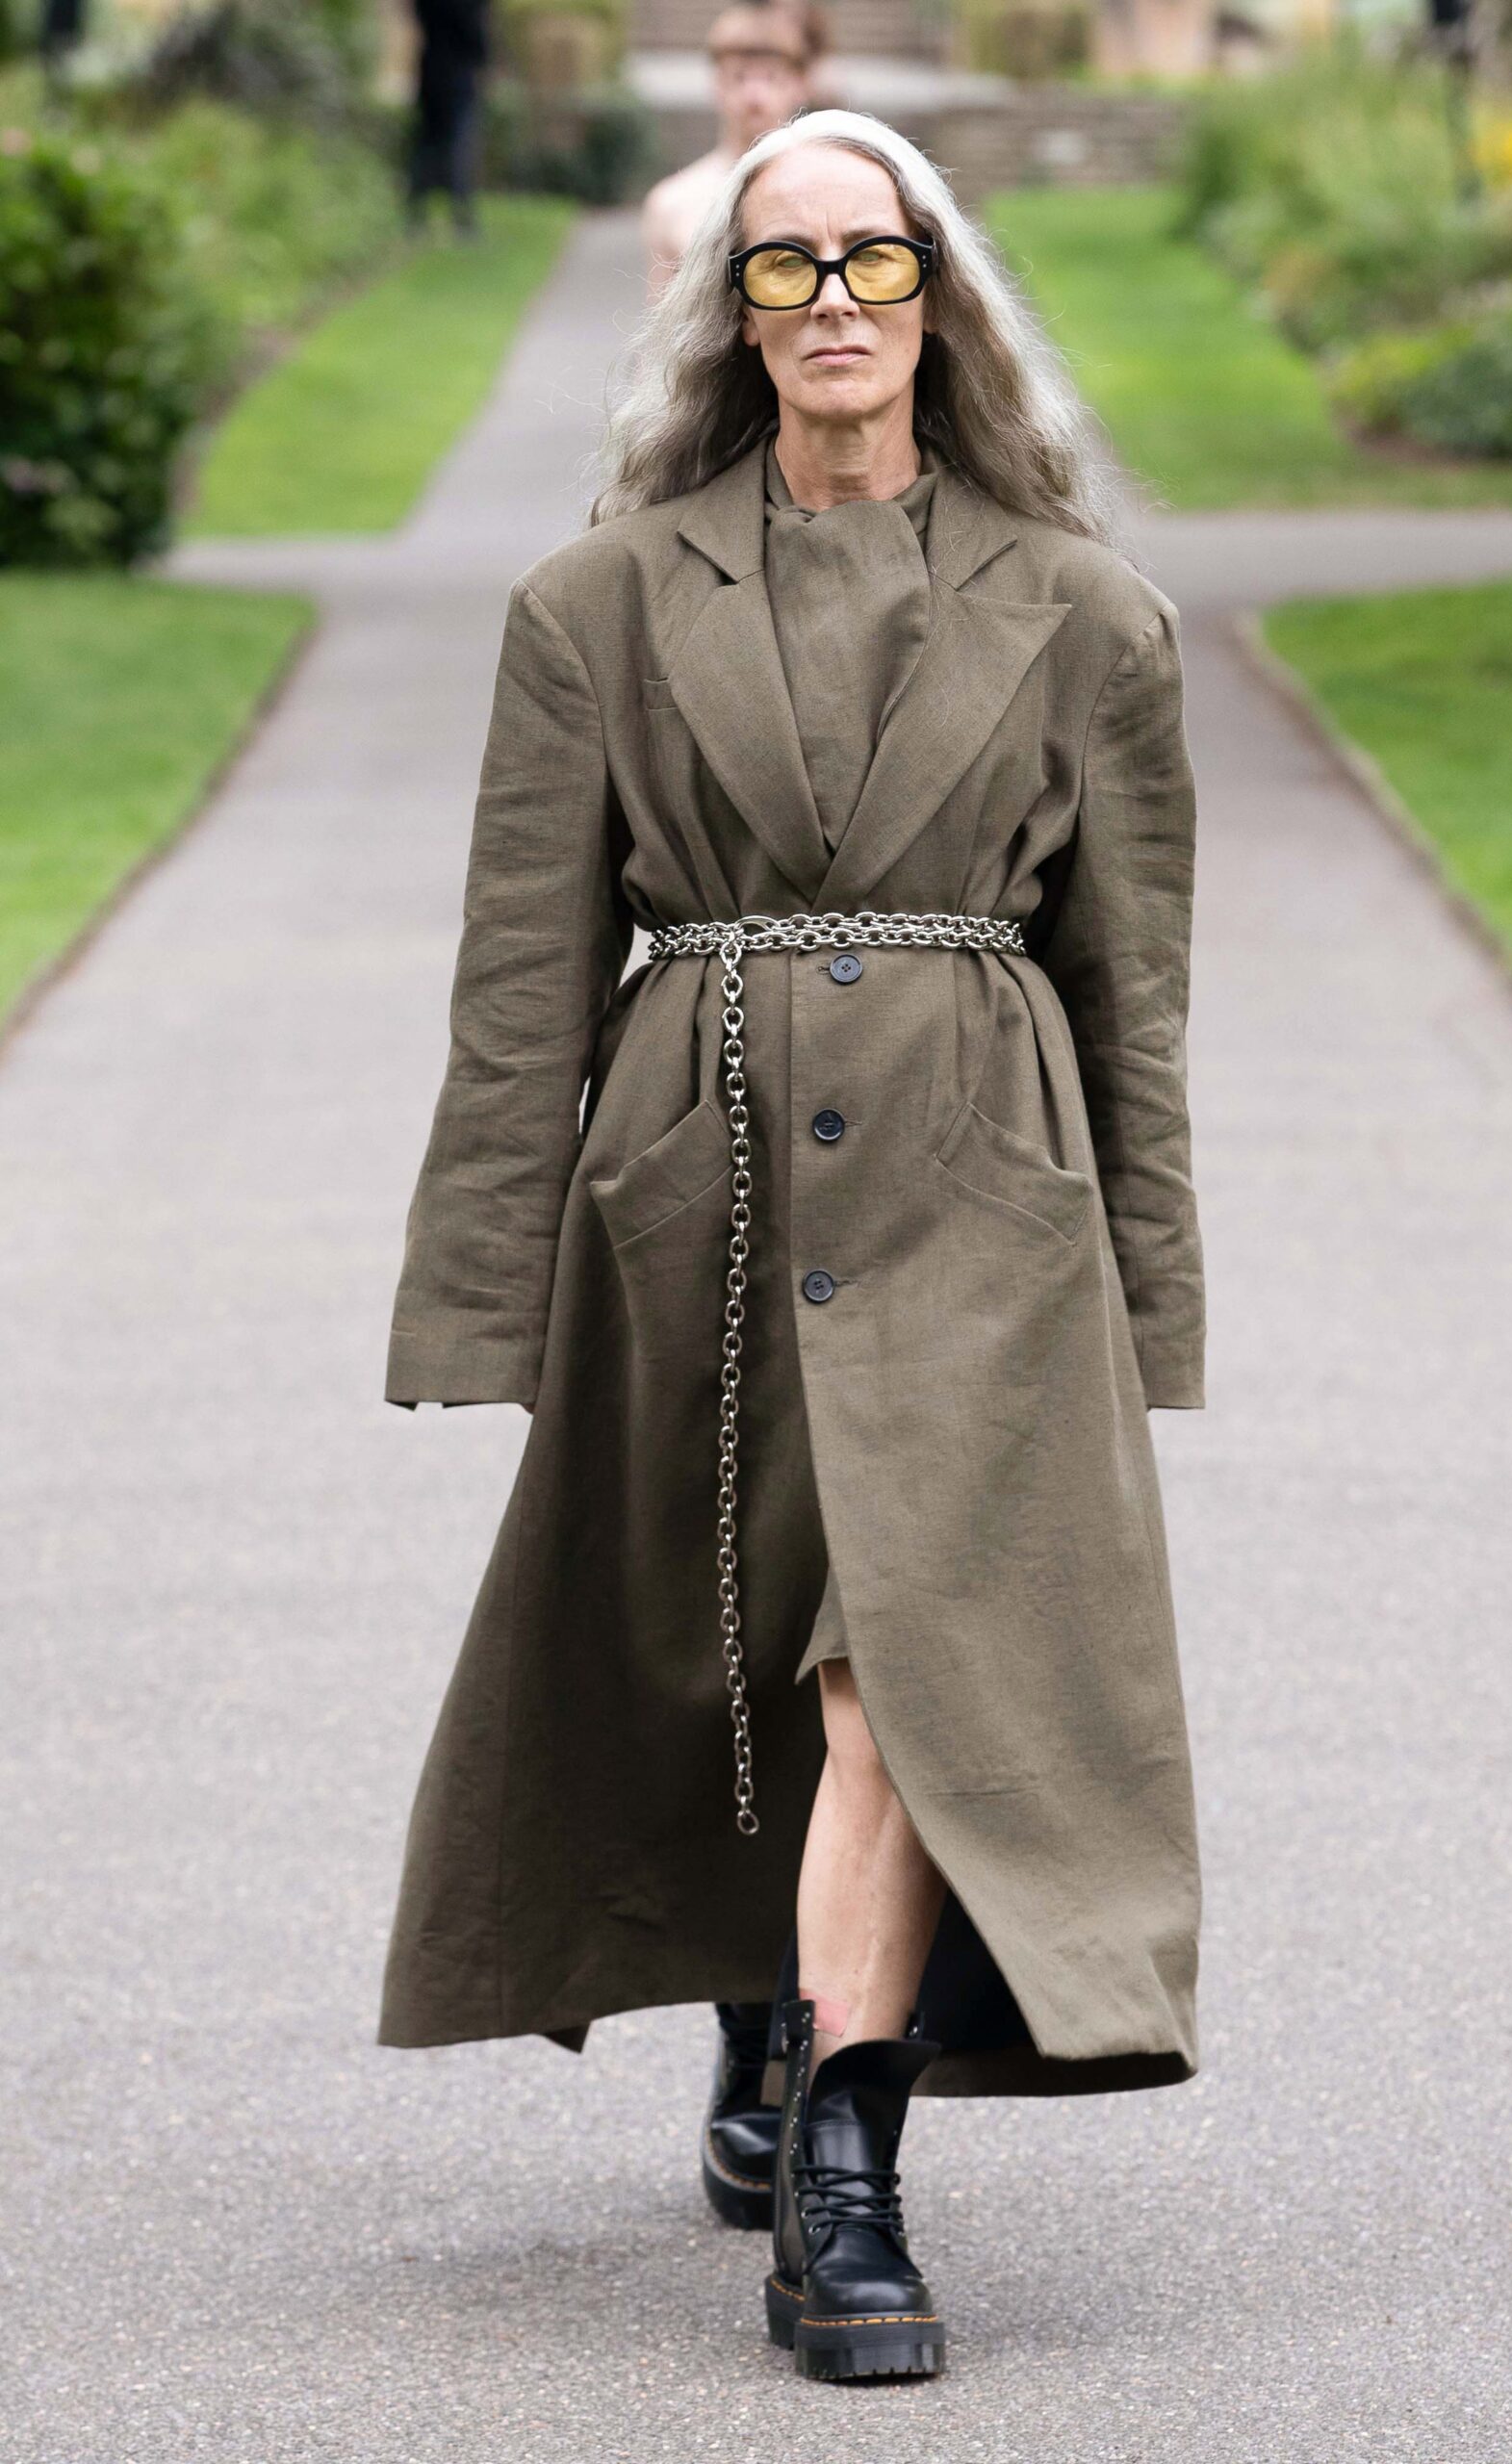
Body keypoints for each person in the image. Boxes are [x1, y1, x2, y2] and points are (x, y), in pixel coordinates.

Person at [379, 107, 1207, 2386]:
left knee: (890, 1673)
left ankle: (843, 2163)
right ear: (729, 316)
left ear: (938, 292)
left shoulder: (1084, 614)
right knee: (738, 1654)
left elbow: (1130, 991)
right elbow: (515, 981)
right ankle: (768, 1999)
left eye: (872, 258)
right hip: (699, 1180)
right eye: (781, 267)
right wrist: (481, 1298)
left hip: (978, 1201)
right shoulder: (602, 603)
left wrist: (1146, 1299)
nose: (830, 301)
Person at [639, 2, 826, 299]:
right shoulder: (671, 203)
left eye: (771, 78)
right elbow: (660, 329)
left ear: (799, 84)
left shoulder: (829, 188)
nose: (755, 95)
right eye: (739, 77)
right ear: (717, 83)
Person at [407, 0, 490, 237]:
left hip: (430, 69)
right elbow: (474, 31)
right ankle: (461, 215)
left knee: (427, 142)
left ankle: (417, 211)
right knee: (459, 143)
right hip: (459, 73)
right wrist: (483, 58)